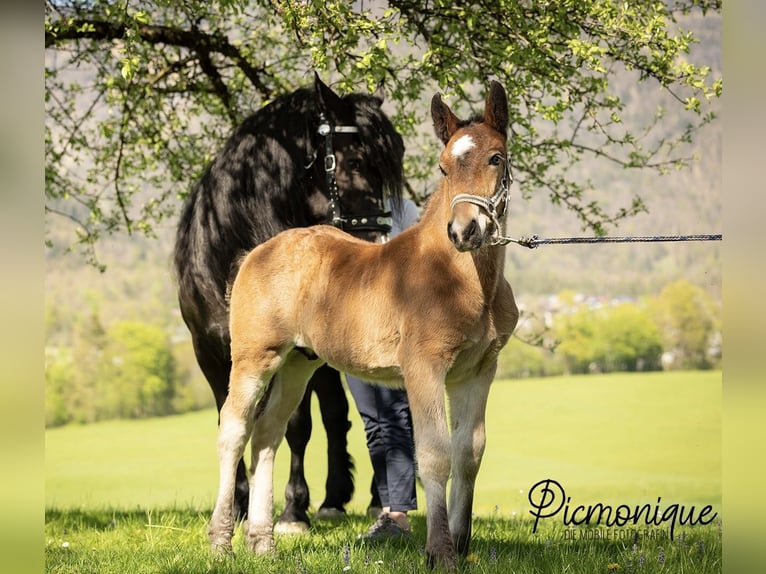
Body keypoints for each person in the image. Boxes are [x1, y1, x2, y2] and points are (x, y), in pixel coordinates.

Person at [347, 196, 420, 541]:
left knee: (395, 416)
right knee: (373, 422)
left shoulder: (403, 210)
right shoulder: (342, 211)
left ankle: (399, 514)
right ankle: (391, 512)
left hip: (392, 324)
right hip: (351, 327)